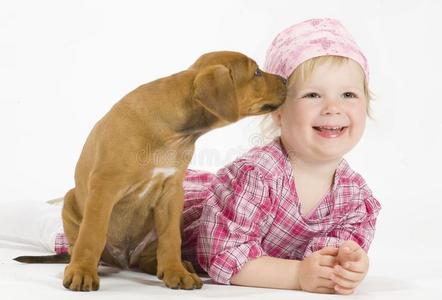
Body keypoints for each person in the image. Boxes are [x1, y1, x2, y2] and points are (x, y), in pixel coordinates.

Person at [9, 18, 380, 295]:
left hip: (151, 230)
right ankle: (11, 211)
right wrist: (85, 258)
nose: (333, 108)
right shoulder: (254, 173)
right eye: (313, 96)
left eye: (349, 95)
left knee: (169, 193)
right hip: (90, 221)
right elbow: (102, 191)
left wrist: (343, 263)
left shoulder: (353, 194)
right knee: (55, 224)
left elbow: (171, 194)